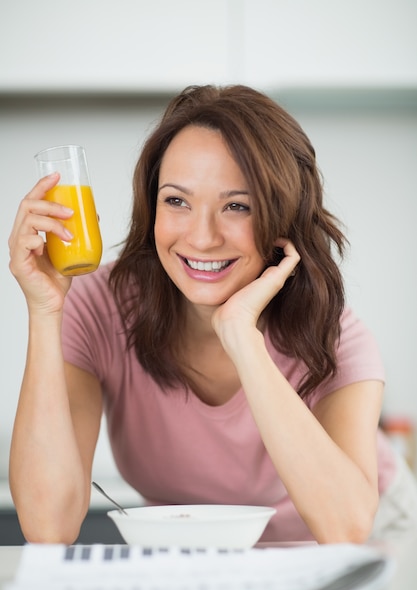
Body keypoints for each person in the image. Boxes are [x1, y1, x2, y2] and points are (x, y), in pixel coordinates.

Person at [8, 84, 417, 545]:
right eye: (177, 201)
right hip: (198, 554)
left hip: (369, 532)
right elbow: (48, 527)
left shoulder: (333, 331)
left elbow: (345, 528)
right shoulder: (100, 305)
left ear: (282, 218)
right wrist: (44, 313)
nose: (201, 238)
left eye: (236, 206)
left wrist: (241, 336)